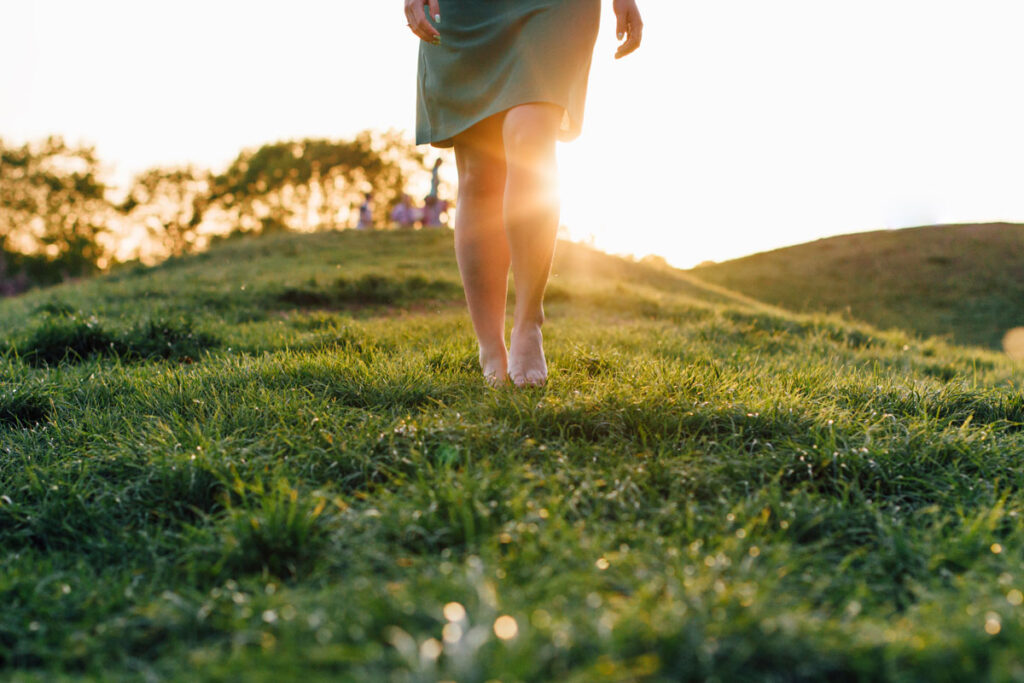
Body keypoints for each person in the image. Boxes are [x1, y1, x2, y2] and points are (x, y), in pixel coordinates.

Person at [407, 0, 643, 387]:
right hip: (465, 10)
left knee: (530, 133)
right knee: (479, 173)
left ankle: (528, 321)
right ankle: (490, 345)